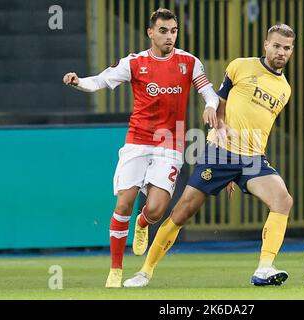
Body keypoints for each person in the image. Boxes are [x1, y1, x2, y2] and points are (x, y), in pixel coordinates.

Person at [123, 23, 296, 288]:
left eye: (286, 48)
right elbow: (220, 100)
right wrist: (221, 125)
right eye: (276, 46)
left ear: (291, 50)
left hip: (252, 158)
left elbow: (262, 126)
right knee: (182, 212)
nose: (280, 52)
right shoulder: (241, 66)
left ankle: (264, 268)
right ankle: (145, 272)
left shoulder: (284, 89)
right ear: (266, 45)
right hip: (220, 152)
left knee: (283, 200)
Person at [62, 8, 219, 287]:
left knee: (157, 209)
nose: (169, 36)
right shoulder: (134, 63)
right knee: (123, 202)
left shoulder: (189, 62)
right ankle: (115, 270)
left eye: (173, 31)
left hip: (170, 144)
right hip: (138, 140)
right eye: (163, 31)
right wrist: (78, 83)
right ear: (150, 32)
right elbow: (100, 80)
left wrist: (209, 105)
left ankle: (143, 223)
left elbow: (208, 91)